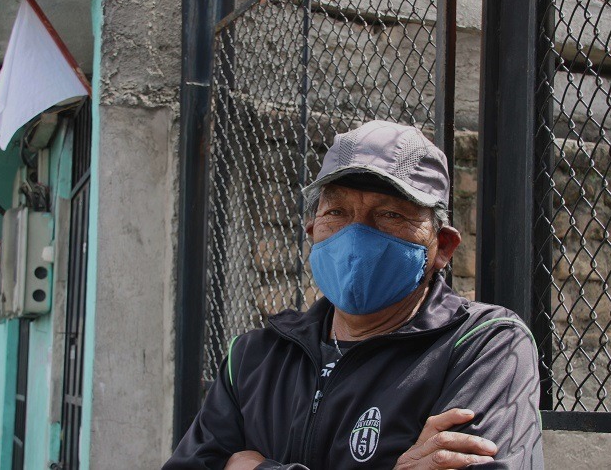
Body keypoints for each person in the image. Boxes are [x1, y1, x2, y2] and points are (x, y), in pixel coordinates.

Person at [164, 120, 544, 469]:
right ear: (313, 229)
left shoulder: (484, 345)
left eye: (391, 214)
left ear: (442, 246)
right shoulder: (254, 358)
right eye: (338, 211)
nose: (356, 233)